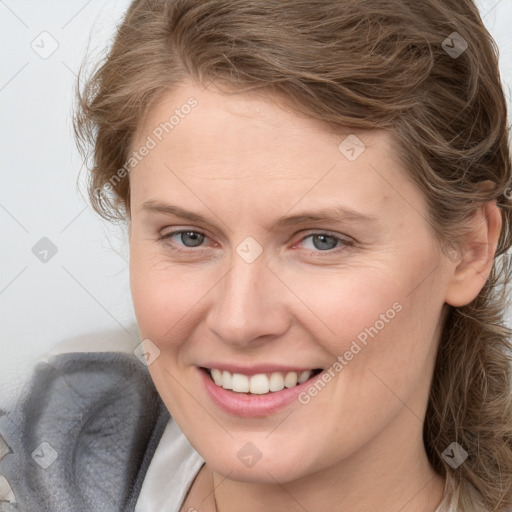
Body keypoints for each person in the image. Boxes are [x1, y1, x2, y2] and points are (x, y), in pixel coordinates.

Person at [1, 0, 511, 511]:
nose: (239, 321)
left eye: (321, 241)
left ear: (468, 249)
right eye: (190, 237)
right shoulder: (36, 459)